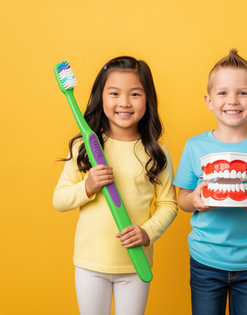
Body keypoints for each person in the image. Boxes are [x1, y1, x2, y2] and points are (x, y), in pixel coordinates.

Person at [53, 56, 178, 315]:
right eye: (114, 93)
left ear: (148, 100)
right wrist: (87, 186)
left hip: (135, 265)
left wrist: (147, 232)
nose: (124, 102)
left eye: (135, 94)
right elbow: (60, 200)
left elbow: (168, 204)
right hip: (90, 265)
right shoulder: (84, 148)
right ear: (102, 97)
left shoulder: (157, 152)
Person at [173, 49, 247, 315]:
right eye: (223, 93)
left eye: (243, 93)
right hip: (205, 259)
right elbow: (181, 199)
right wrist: (194, 201)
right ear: (209, 101)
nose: (233, 101)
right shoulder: (194, 146)